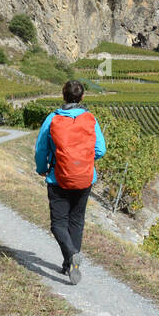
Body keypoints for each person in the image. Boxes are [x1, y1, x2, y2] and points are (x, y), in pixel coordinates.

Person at [34, 80, 105, 283]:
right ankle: (70, 263)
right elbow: (100, 149)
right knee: (77, 221)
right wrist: (82, 161)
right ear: (82, 97)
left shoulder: (52, 119)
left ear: (63, 95)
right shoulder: (90, 118)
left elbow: (41, 150)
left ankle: (71, 255)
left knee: (58, 224)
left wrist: (42, 169)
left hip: (58, 179)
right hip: (84, 178)